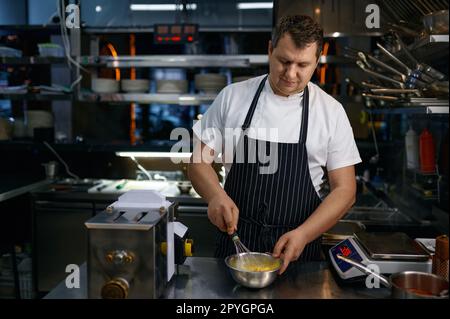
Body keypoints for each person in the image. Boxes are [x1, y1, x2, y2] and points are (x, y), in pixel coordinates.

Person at [188, 15, 361, 274]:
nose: (291, 74)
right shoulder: (232, 97)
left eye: (302, 65)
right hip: (235, 245)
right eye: (284, 61)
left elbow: (345, 190)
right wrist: (215, 196)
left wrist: (303, 234)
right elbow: (198, 161)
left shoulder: (331, 112)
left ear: (317, 60)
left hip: (299, 251)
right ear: (270, 50)